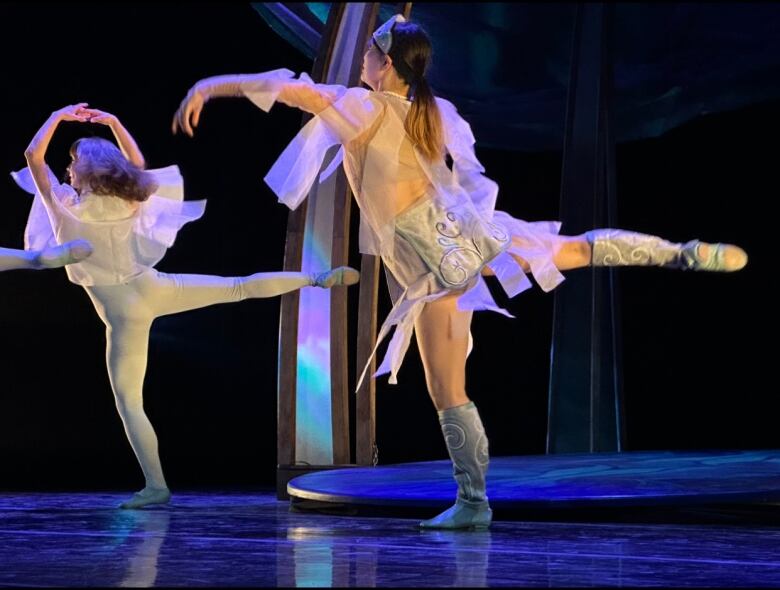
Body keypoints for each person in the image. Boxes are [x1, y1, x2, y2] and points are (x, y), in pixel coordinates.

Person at [172, 15, 748, 529]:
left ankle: (474, 501)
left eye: (371, 54)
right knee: (572, 248)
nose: (363, 61)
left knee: (449, 391)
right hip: (466, 235)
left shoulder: (365, 108)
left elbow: (293, 90)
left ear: (385, 65)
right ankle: (679, 250)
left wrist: (210, 85)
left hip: (431, 266)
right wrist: (400, 24)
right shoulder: (431, 109)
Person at [14, 103, 360, 509]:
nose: (67, 171)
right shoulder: (132, 198)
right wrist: (112, 120)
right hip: (155, 288)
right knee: (240, 287)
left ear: (84, 169)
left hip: (125, 316)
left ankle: (156, 485)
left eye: (71, 164)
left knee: (129, 403)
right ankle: (316, 279)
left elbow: (32, 157)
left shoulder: (63, 206)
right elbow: (137, 162)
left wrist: (57, 115)